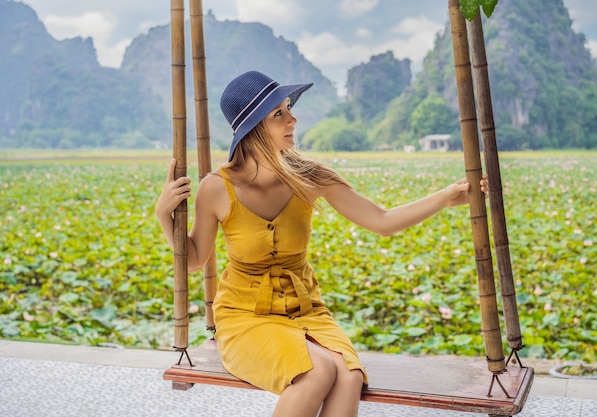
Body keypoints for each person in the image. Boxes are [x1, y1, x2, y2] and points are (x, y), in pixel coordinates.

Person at [156, 70, 488, 417]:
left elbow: (382, 221)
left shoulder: (309, 177)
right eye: (279, 114)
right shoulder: (216, 188)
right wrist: (165, 215)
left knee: (348, 375)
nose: (292, 119)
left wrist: (447, 198)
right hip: (245, 317)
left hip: (306, 311)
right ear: (253, 128)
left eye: (289, 109)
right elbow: (194, 260)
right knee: (317, 372)